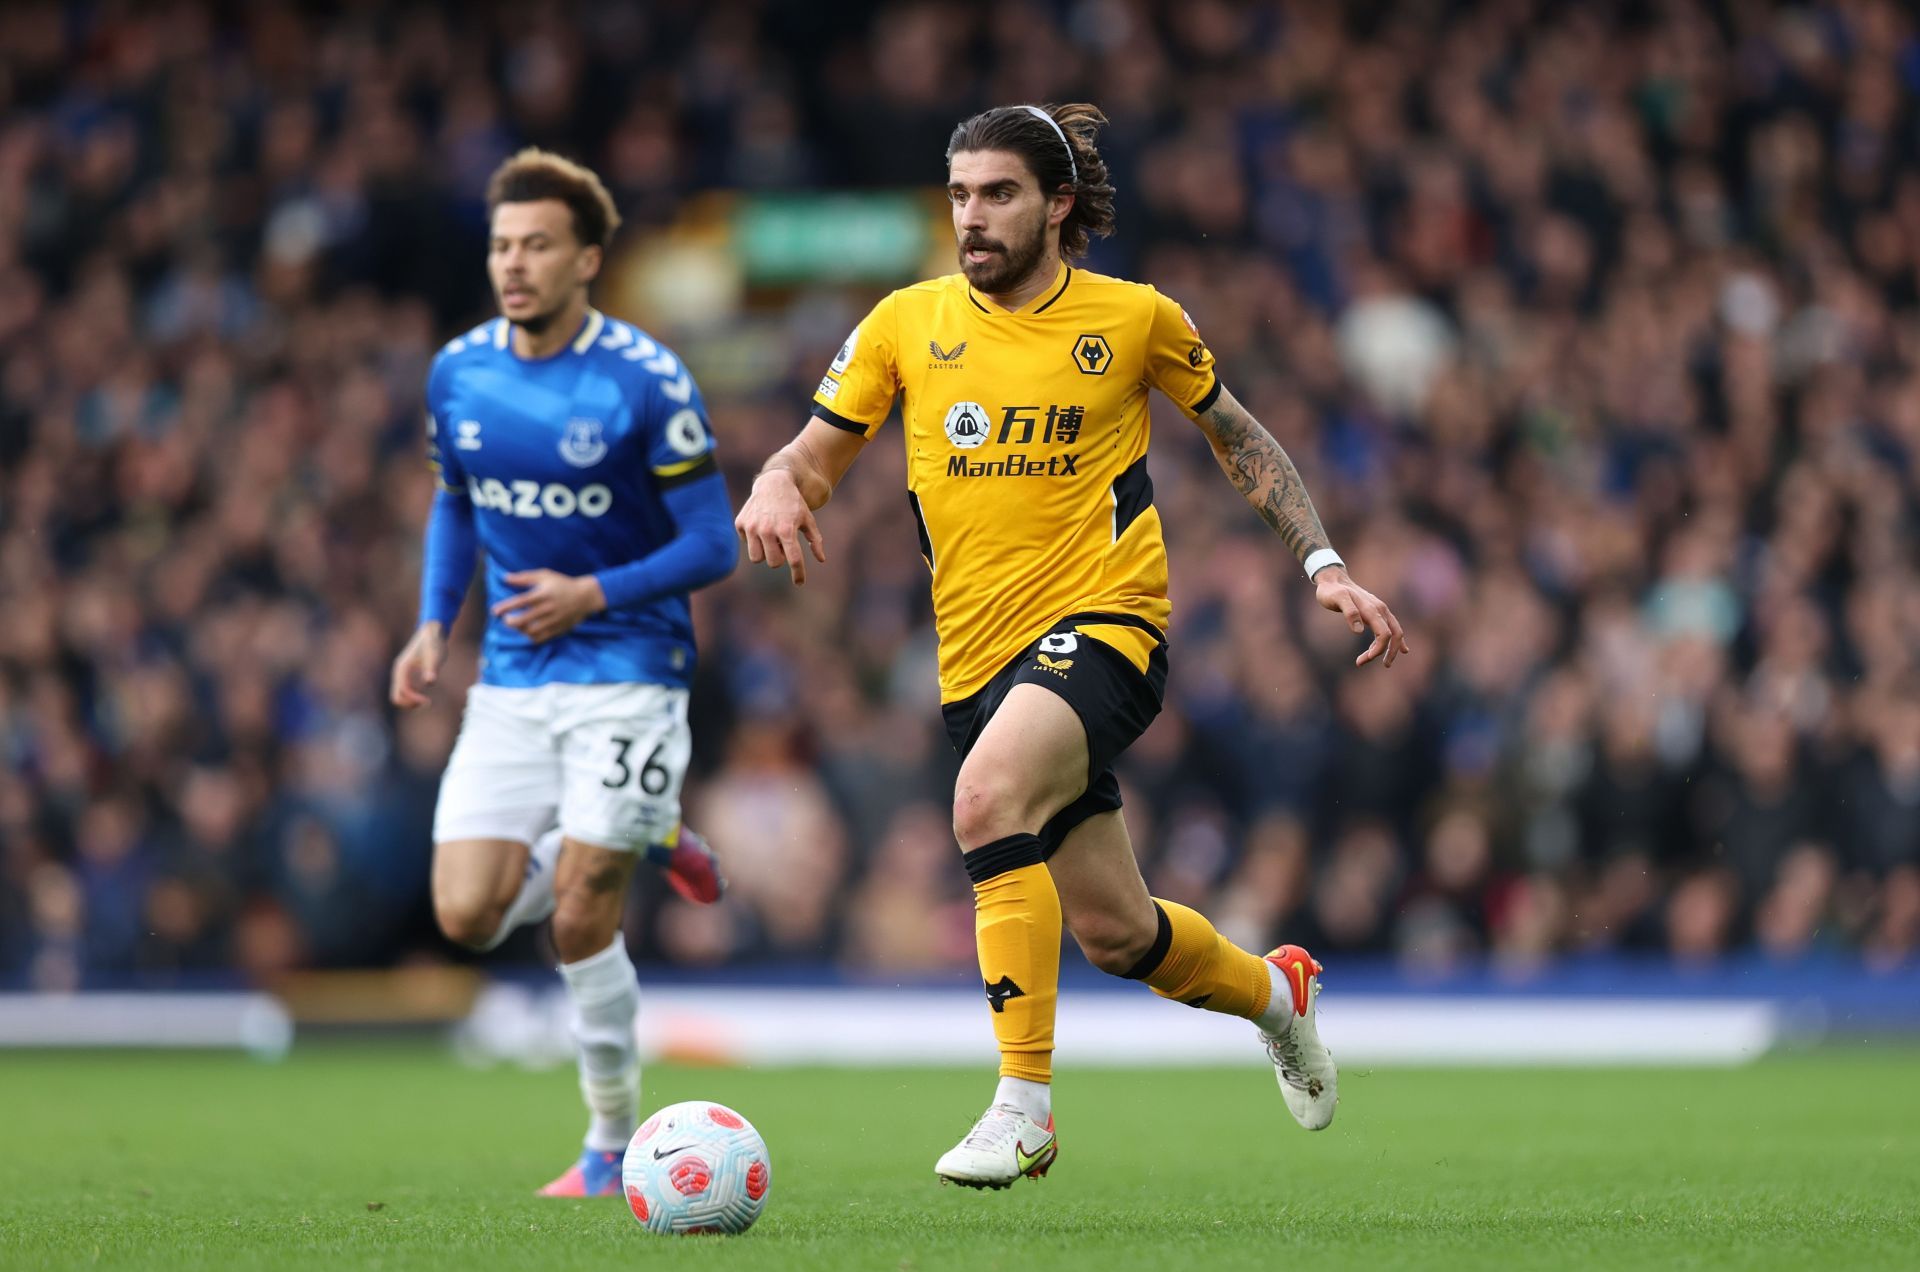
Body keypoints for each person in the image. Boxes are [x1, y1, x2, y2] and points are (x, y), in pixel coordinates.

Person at [735, 104, 1409, 1189]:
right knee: (1117, 933)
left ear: (1056, 204)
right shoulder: (906, 323)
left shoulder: (1134, 319)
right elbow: (811, 460)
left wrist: (1322, 563)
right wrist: (773, 481)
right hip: (978, 662)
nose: (972, 217)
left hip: (1107, 628)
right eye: (958, 195)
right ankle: (1279, 996)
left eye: (997, 193)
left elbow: (1238, 435)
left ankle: (1023, 1107)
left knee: (982, 799)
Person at [389, 148, 738, 1197]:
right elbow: (457, 500)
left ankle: (609, 1144)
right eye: (503, 245)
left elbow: (714, 542)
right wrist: (429, 624)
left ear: (587, 258)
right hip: (511, 679)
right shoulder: (459, 371)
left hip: (631, 666)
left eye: (538, 244)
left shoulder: (645, 378)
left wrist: (596, 592)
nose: (515, 264)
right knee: (466, 915)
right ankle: (648, 828)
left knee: (581, 908)